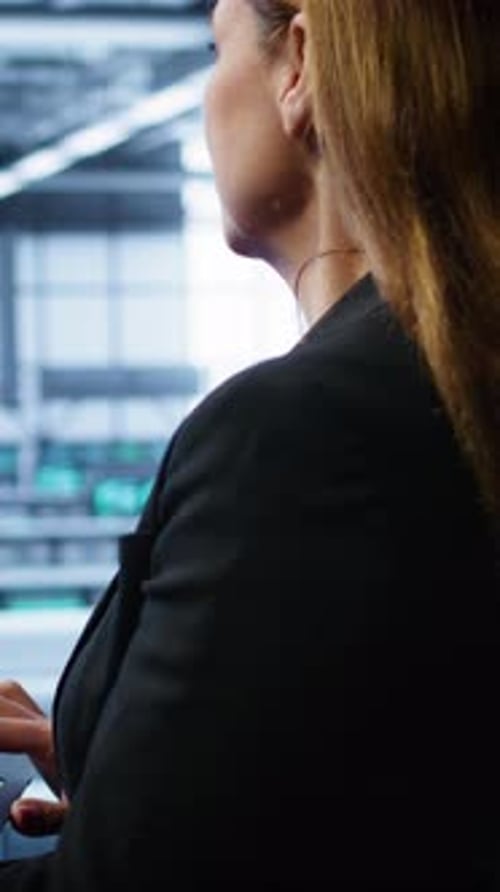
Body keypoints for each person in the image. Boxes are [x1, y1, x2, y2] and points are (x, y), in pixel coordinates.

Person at [1, 0, 499, 888]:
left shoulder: (298, 432)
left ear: (298, 64)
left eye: (216, 49)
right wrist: (137, 769)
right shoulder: (445, 382)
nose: (206, 94)